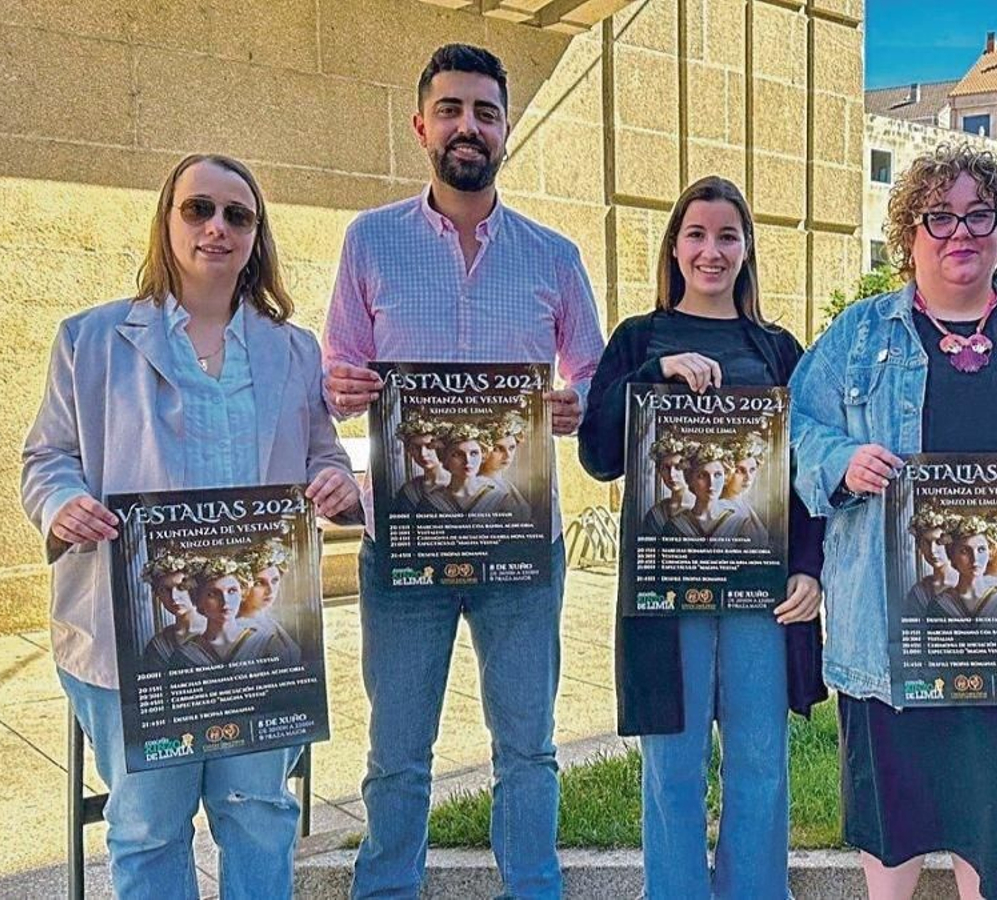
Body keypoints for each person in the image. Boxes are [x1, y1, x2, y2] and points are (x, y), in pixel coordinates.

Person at [20, 152, 360, 898]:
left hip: (258, 637)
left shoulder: (292, 349)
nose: (217, 228)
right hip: (135, 635)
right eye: (198, 209)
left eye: (238, 215)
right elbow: (47, 457)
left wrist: (336, 483)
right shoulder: (90, 341)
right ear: (167, 221)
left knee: (260, 812)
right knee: (147, 827)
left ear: (257, 235)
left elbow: (321, 453)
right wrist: (62, 502)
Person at [790, 143, 997, 900]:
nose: (960, 233)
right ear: (909, 233)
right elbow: (797, 431)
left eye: (979, 215)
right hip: (890, 629)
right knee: (895, 815)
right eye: (939, 217)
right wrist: (841, 461)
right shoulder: (859, 336)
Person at [320, 43, 604, 899]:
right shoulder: (370, 241)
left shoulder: (554, 255)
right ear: (422, 126)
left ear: (506, 129)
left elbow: (594, 372)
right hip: (405, 543)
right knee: (398, 752)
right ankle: (387, 890)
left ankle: (533, 889)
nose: (467, 127)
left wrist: (576, 403)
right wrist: (342, 387)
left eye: (485, 112)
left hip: (521, 547)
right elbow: (336, 375)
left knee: (528, 748)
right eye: (450, 110)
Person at [577, 175, 826, 898]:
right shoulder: (639, 339)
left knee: (760, 764)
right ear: (674, 246)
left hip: (760, 595)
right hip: (667, 597)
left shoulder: (778, 350)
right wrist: (652, 376)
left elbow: (807, 470)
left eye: (727, 236)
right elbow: (597, 455)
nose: (711, 251)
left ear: (746, 250)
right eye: (696, 234)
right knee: (673, 768)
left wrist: (810, 567)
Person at [928, 511, 997, 627]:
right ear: (952, 555)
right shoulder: (939, 605)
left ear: (990, 552)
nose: (975, 559)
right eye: (965, 551)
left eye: (981, 550)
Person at [666, 441, 769, 543]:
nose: (711, 483)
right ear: (690, 480)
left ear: (725, 477)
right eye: (702, 476)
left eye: (717, 475)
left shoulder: (740, 524)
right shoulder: (675, 526)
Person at [238, 539, 304, 666]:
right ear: (243, 586)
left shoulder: (268, 621)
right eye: (259, 583)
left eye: (274, 581)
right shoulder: (238, 629)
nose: (270, 590)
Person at [139, 554, 204, 670]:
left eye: (181, 588)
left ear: (194, 588)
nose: (174, 597)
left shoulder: (218, 630)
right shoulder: (158, 644)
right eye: (165, 590)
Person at [904, 507, 956, 614]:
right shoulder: (918, 593)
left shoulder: (967, 583)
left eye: (938, 542)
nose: (933, 550)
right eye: (927, 543)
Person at [642, 430, 692, 534]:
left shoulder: (702, 508)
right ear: (659, 471)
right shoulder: (655, 514)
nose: (672, 474)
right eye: (666, 468)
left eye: (678, 467)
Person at [396, 413, 449, 506]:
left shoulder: (460, 483)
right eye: (416, 447)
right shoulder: (409, 491)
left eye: (429, 446)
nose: (423, 454)